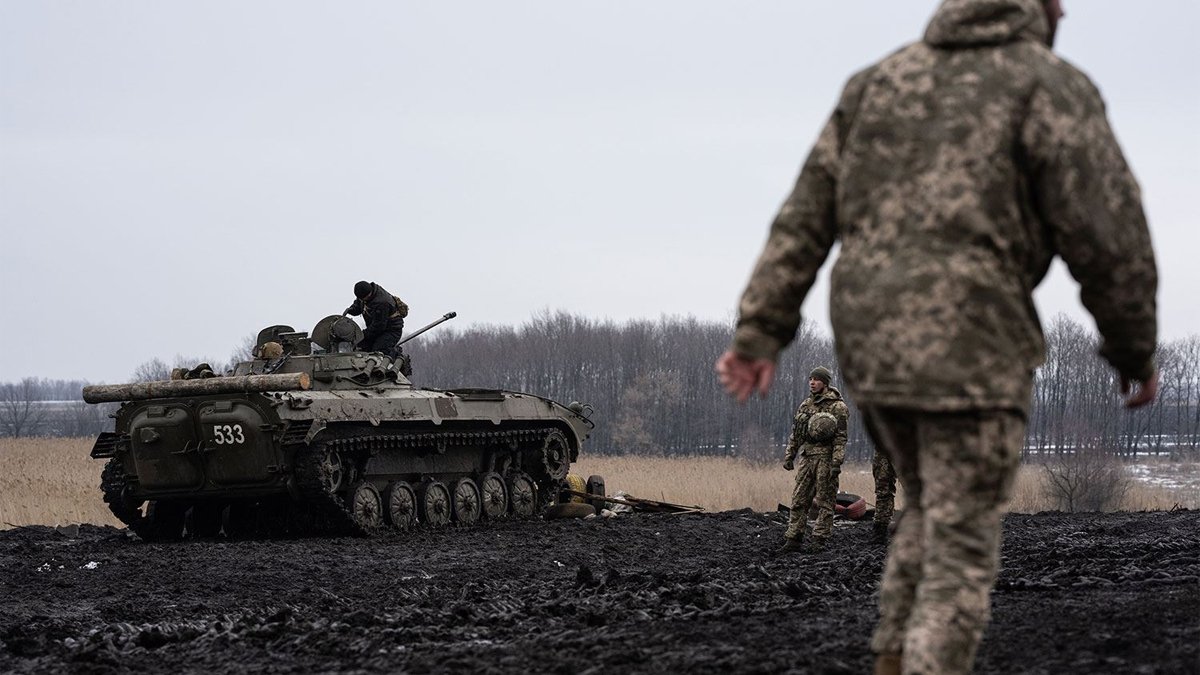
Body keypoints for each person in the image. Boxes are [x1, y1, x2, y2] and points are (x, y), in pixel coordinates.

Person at [715, 1, 1158, 673]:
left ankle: (894, 659)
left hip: (874, 349)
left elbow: (804, 217)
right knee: (962, 543)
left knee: (928, 510)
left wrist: (760, 331)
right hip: (972, 345)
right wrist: (1132, 348)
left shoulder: (878, 83)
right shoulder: (1048, 85)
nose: (1064, 11)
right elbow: (1109, 231)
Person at [780, 366, 849, 553]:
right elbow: (797, 433)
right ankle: (794, 538)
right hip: (807, 457)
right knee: (799, 498)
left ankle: (819, 539)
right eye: (810, 379)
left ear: (825, 383)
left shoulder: (838, 407)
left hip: (826, 458)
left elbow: (841, 438)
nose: (812, 382)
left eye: (816, 379)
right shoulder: (805, 405)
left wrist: (836, 462)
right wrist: (790, 455)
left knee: (825, 500)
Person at [343, 281, 409, 358]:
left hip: (391, 330)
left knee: (378, 352)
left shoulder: (382, 303)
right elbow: (357, 307)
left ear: (369, 294)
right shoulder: (364, 295)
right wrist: (350, 310)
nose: (363, 300)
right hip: (376, 329)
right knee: (360, 346)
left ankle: (397, 356)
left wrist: (361, 334)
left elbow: (378, 327)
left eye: (364, 298)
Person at [871, 448, 896, 542]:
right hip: (882, 450)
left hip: (905, 448)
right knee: (882, 490)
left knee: (915, 489)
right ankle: (880, 530)